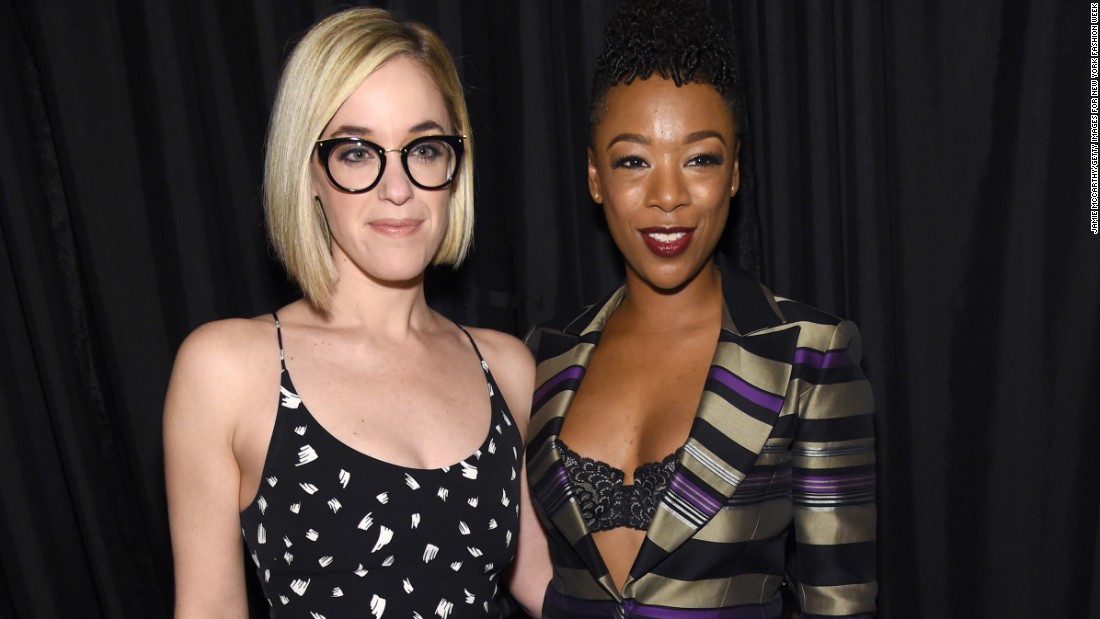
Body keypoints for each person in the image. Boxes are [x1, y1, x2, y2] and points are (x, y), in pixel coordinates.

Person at [164, 7, 549, 618]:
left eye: (422, 149)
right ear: (309, 172)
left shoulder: (507, 367)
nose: (397, 187)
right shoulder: (230, 370)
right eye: (356, 152)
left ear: (455, 168)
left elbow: (549, 585)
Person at [524, 1, 877, 617]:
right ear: (593, 176)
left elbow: (840, 602)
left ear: (735, 172)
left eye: (700, 159)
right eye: (633, 160)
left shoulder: (808, 355)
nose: (668, 196)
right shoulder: (543, 355)